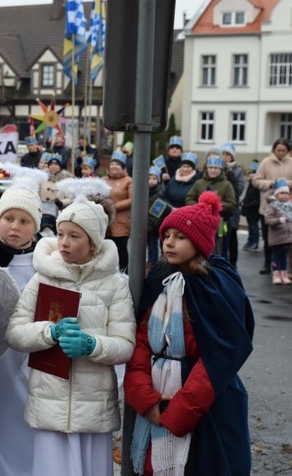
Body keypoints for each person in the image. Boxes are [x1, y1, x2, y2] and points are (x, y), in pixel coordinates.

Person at [6, 192, 136, 476]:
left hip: (93, 409)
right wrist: (49, 332)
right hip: (49, 404)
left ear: (93, 242)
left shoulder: (114, 284)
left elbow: (125, 344)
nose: (63, 242)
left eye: (74, 236)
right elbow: (15, 333)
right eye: (61, 233)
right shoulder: (42, 277)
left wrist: (92, 344)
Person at [124, 191, 254, 475]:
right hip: (157, 397)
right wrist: (147, 400)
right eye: (166, 235)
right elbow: (142, 344)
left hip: (205, 408)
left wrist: (180, 411)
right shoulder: (158, 279)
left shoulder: (214, 286)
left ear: (199, 242)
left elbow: (219, 355)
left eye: (180, 237)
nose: (169, 242)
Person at [0, 167, 46, 476]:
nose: (14, 227)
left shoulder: (46, 262)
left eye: (24, 221)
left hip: (29, 359)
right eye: (8, 218)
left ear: (36, 226)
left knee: (23, 424)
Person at [252, 138, 292, 275]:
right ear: (274, 150)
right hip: (269, 205)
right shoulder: (266, 162)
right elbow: (256, 181)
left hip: (287, 207)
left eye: (284, 151)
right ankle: (267, 264)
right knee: (268, 237)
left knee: (287, 238)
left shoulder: (290, 162)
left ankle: (284, 267)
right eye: (278, 150)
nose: (280, 153)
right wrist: (271, 183)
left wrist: (286, 183)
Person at [186, 157, 236, 258]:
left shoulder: (226, 184)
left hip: (220, 222)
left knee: (219, 249)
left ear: (221, 170)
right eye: (211, 167)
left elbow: (231, 203)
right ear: (207, 168)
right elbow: (189, 199)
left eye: (216, 168)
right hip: (200, 221)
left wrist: (215, 205)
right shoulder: (199, 183)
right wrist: (200, 206)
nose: (213, 170)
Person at [103, 151, 133, 272]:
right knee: (106, 249)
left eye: (117, 165)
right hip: (106, 219)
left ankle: (124, 272)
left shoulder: (128, 180)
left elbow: (132, 199)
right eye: (112, 164)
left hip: (121, 219)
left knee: (121, 248)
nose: (114, 167)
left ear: (123, 167)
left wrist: (113, 206)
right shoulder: (103, 179)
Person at [264, 179, 292, 285]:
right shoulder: (272, 206)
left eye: (286, 193)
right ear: (276, 195)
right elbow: (268, 220)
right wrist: (278, 220)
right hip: (276, 238)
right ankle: (276, 274)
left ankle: (284, 274)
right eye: (281, 193)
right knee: (276, 256)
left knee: (284, 257)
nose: (284, 196)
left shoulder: (290, 206)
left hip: (287, 237)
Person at [38, 153, 73, 237]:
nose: (53, 166)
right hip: (42, 209)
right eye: (51, 164)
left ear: (60, 166)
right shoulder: (42, 179)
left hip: (60, 209)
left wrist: (61, 202)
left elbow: (70, 197)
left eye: (56, 164)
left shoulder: (67, 180)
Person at [221, 142, 244, 266]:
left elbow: (239, 189)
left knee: (232, 236)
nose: (225, 157)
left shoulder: (237, 170)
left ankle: (233, 263)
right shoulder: (217, 168)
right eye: (223, 154)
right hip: (221, 210)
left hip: (232, 209)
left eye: (227, 154)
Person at [147, 166, 170, 273]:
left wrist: (151, 226)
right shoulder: (143, 192)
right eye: (149, 178)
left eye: (154, 178)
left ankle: (153, 263)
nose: (151, 181)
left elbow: (159, 211)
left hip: (155, 225)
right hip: (146, 224)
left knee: (153, 245)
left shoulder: (160, 194)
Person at [241, 160, 261, 251]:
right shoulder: (250, 183)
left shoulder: (257, 184)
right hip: (249, 209)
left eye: (253, 173)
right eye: (250, 173)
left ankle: (254, 242)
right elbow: (248, 195)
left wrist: (248, 205)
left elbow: (258, 199)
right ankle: (250, 241)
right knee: (251, 226)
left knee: (254, 226)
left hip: (254, 210)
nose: (251, 175)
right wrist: (243, 201)